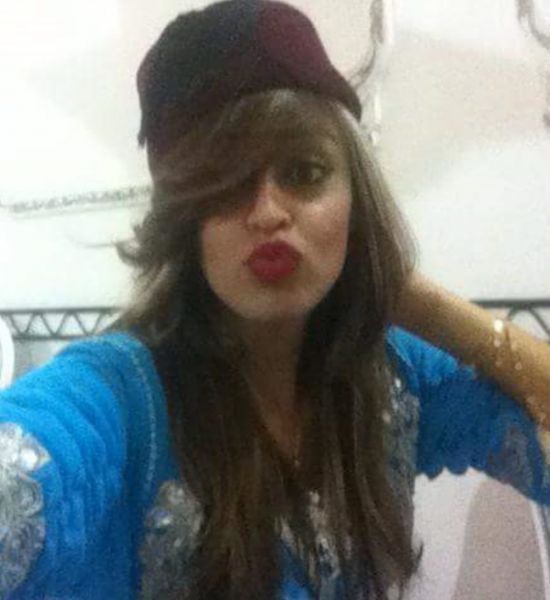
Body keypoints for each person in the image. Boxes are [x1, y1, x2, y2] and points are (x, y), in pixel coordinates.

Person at [1, 1, 550, 599]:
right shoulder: (119, 399)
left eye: (305, 172)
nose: (267, 212)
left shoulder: (392, 372)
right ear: (184, 219)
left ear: (355, 199)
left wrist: (411, 297)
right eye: (227, 181)